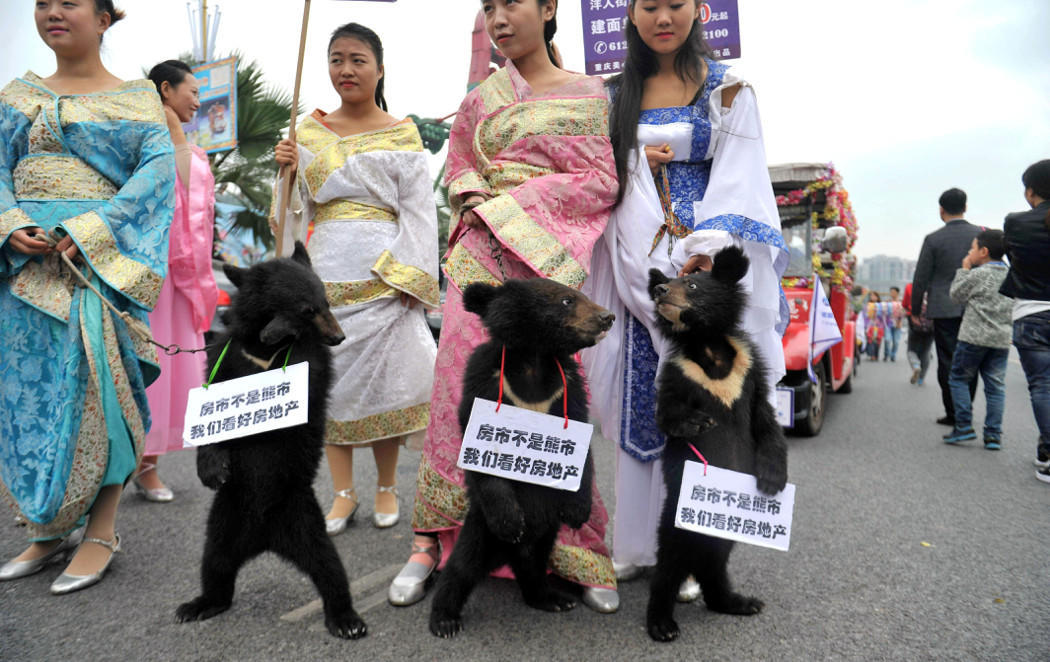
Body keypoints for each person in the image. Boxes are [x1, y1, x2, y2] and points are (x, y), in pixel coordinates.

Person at [389, 0, 620, 613]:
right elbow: (460, 170)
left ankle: (575, 544)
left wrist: (512, 205)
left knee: (558, 396)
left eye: (511, 3)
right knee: (461, 394)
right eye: (487, 7)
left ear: (548, 9)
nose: (498, 17)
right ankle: (432, 540)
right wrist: (477, 203)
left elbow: (600, 179)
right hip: (484, 265)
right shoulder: (480, 99)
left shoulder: (593, 93)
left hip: (549, 272)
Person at [581, 0, 787, 602]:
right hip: (631, 256)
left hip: (702, 261)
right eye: (649, 5)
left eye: (676, 3)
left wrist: (706, 247)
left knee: (706, 398)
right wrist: (631, 163)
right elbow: (592, 167)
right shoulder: (610, 94)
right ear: (632, 13)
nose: (662, 17)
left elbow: (741, 175)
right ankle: (637, 545)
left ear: (699, 10)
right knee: (640, 393)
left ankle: (701, 547)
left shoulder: (728, 90)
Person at [0, 0, 174, 593]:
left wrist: (91, 232)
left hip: (92, 268)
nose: (52, 12)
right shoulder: (16, 94)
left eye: (69, 2)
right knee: (30, 399)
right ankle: (49, 528)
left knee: (100, 396)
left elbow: (156, 176)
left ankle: (101, 529)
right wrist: (7, 224)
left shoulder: (137, 96)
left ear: (104, 18)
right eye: (42, 2)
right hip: (21, 272)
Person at [272, 23, 439, 534]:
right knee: (332, 386)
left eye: (358, 59)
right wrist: (286, 174)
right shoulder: (306, 134)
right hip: (324, 278)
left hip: (385, 277)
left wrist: (407, 277)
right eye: (337, 59)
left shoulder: (403, 133)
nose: (346, 69)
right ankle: (343, 495)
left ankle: (387, 487)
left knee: (386, 387)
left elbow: (419, 211)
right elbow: (288, 217)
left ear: (380, 68)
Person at [137, 59, 218, 503]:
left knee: (170, 365)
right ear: (166, 90)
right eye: (193, 92)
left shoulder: (188, 146)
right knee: (146, 360)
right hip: (150, 270)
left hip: (181, 276)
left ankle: (147, 463)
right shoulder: (147, 139)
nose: (198, 102)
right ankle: (137, 460)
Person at [999, 159, 1050, 481]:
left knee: (1043, 385)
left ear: (1031, 192)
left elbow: (1013, 258)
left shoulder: (1016, 222)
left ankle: (1048, 454)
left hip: (1032, 314)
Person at [911, 188, 980, 426]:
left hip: (943, 308)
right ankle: (966, 408)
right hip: (975, 307)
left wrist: (915, 310)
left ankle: (954, 413)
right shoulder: (980, 235)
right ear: (966, 207)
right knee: (971, 360)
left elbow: (920, 279)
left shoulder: (933, 239)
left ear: (941, 210)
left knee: (948, 360)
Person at [942, 230, 1011, 449]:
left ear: (984, 252)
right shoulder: (1012, 275)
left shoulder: (977, 274)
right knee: (995, 387)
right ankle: (993, 435)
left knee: (959, 379)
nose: (969, 252)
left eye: (972, 248)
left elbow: (956, 295)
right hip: (1000, 339)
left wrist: (964, 270)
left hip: (973, 337)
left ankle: (963, 426)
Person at [902, 282, 934, 385]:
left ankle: (916, 366)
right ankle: (921, 379)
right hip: (931, 324)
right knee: (926, 351)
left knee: (911, 349)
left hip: (915, 324)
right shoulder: (935, 286)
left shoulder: (910, 286)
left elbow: (905, 304)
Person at [883, 286, 903, 361]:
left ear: (897, 293)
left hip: (898, 324)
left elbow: (903, 313)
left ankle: (893, 355)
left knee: (896, 342)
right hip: (888, 324)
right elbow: (883, 312)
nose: (892, 293)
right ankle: (886, 354)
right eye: (891, 292)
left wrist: (899, 321)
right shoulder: (887, 302)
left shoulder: (901, 302)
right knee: (887, 340)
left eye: (894, 292)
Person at [865, 291, 884, 361]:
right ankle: (872, 355)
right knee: (871, 340)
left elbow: (883, 316)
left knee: (877, 341)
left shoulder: (881, 305)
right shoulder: (868, 305)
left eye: (874, 296)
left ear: (877, 297)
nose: (872, 297)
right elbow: (865, 315)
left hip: (879, 326)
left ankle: (876, 355)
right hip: (870, 325)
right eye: (871, 296)